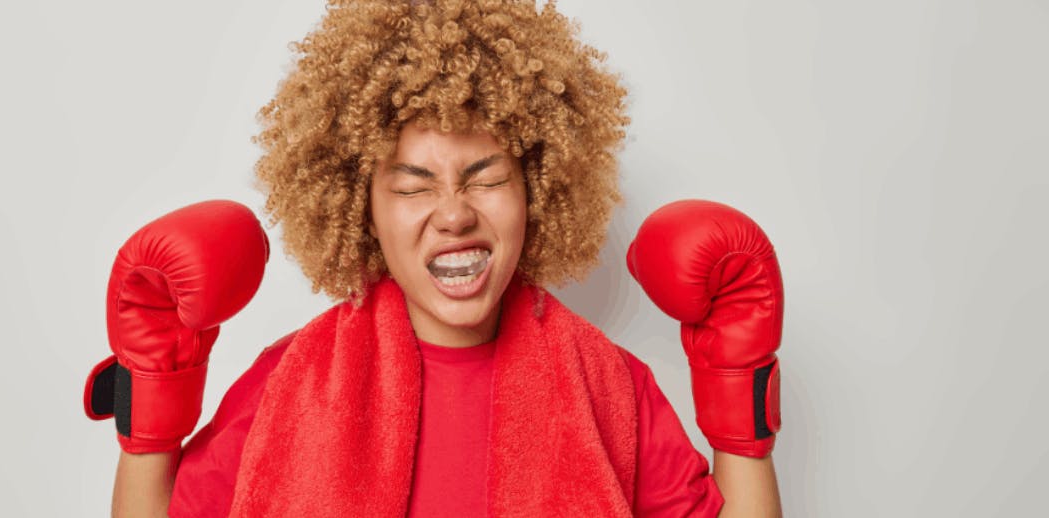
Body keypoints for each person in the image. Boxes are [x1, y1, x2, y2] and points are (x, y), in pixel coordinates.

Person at [87, 1, 784, 516]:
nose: (453, 214)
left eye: (485, 176)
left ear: (536, 188)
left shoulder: (611, 388)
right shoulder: (291, 383)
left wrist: (737, 389)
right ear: (363, 208)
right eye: (414, 184)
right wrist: (154, 397)